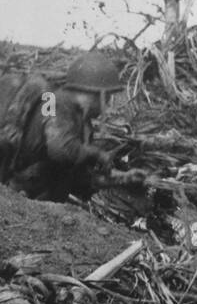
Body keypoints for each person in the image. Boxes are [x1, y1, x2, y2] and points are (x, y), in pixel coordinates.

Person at [0, 51, 140, 201]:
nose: (106, 104)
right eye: (106, 97)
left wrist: (124, 178)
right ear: (93, 93)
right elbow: (60, 150)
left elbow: (78, 178)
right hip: (16, 194)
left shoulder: (82, 123)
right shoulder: (53, 101)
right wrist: (96, 154)